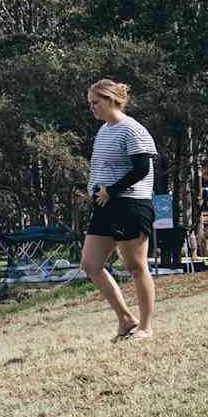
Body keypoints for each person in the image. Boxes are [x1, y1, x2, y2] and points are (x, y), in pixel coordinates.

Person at [80, 79, 158, 341]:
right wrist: (92, 193)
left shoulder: (132, 130)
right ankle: (126, 319)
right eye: (90, 104)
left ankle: (145, 327)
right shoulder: (103, 130)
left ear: (112, 100)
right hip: (104, 206)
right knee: (91, 264)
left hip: (131, 205)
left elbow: (141, 169)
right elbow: (101, 167)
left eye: (96, 102)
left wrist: (111, 190)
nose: (92, 108)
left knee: (135, 267)